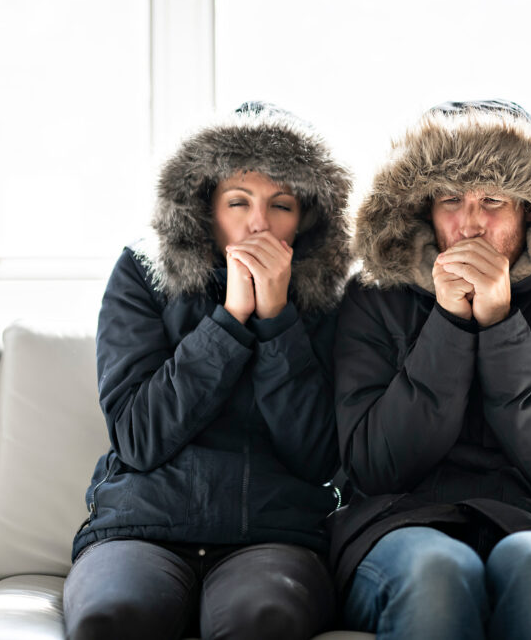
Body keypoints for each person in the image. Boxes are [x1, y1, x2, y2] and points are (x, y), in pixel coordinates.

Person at [330, 100, 531, 639]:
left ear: (530, 209)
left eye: (493, 199)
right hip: (401, 523)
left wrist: (500, 324)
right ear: (424, 209)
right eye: (451, 198)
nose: (470, 221)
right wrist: (448, 326)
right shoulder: (371, 297)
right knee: (437, 574)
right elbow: (375, 469)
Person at [64, 101, 352, 640]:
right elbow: (139, 437)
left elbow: (319, 457)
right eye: (238, 201)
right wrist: (230, 320)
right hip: (140, 529)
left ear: (308, 219)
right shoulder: (142, 274)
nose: (259, 222)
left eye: (281, 205)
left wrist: (276, 320)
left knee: (259, 621)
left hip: (275, 535)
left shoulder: (335, 300)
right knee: (112, 620)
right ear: (204, 209)